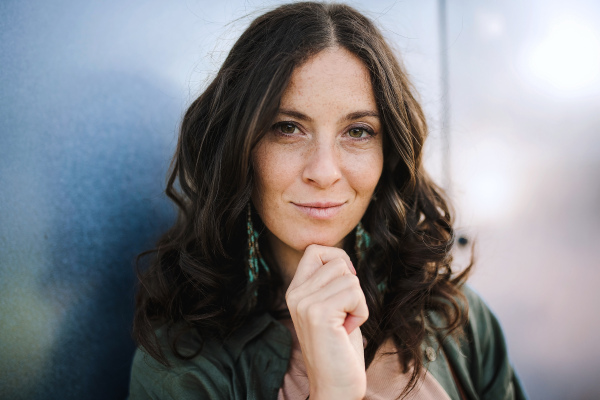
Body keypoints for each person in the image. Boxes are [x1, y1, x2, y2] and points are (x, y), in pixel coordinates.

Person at [129, 2, 527, 399]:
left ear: (387, 153)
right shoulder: (179, 362)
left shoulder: (456, 317)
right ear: (238, 148)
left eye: (357, 131)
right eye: (287, 128)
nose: (324, 171)